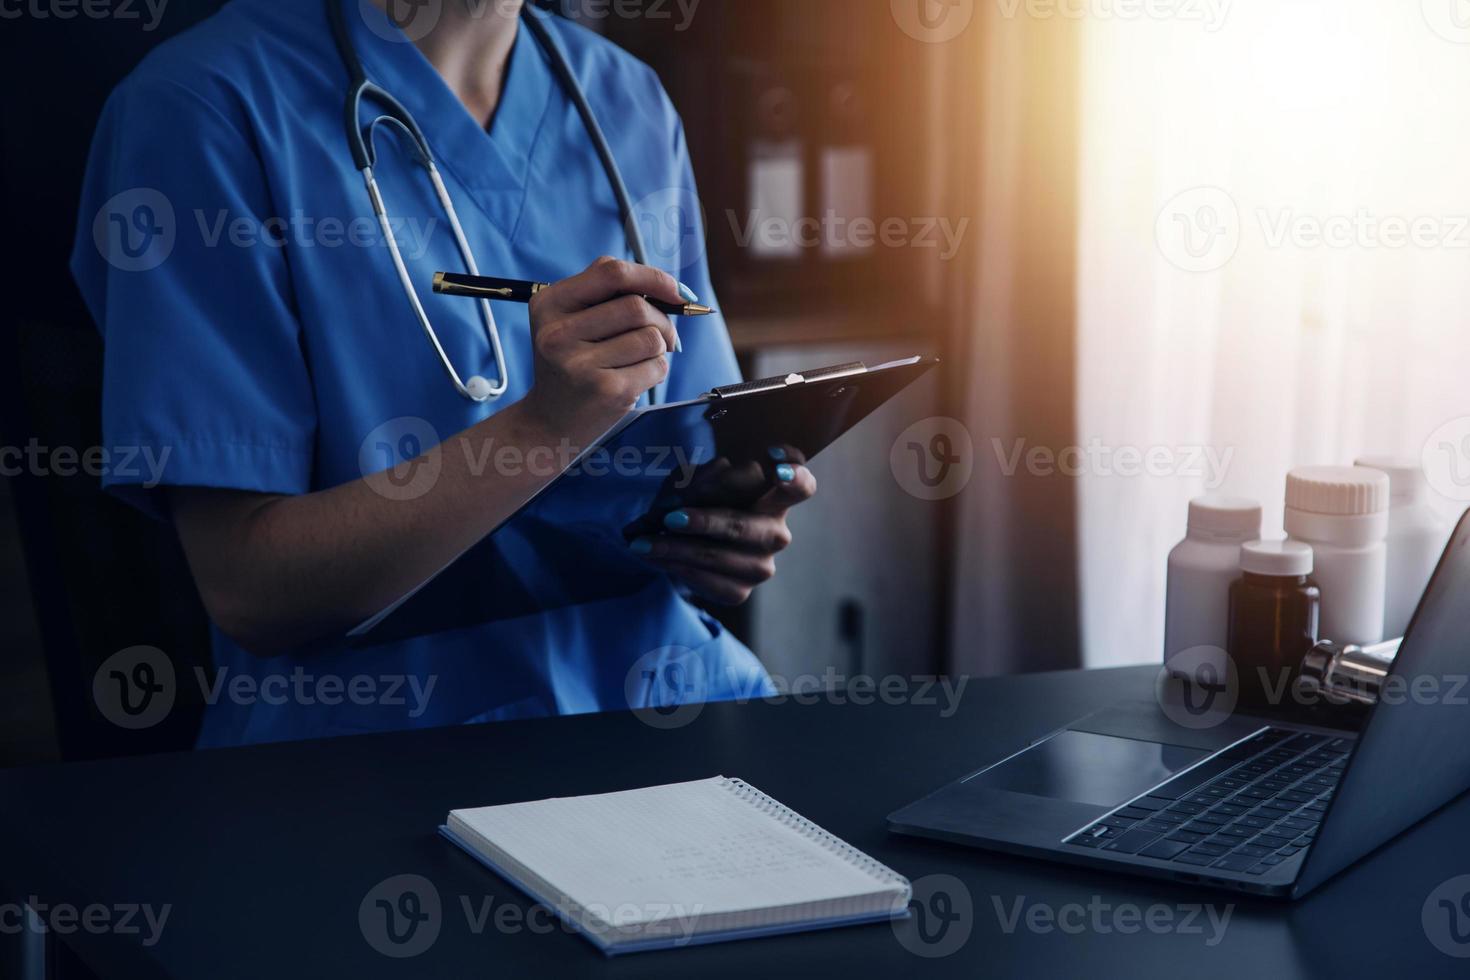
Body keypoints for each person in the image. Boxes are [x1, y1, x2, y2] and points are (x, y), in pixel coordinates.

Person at [71, 0, 814, 746]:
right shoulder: (204, 105)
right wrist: (542, 431)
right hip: (379, 753)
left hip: (667, 704)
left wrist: (723, 527)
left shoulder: (625, 97)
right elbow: (250, 590)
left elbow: (684, 453)